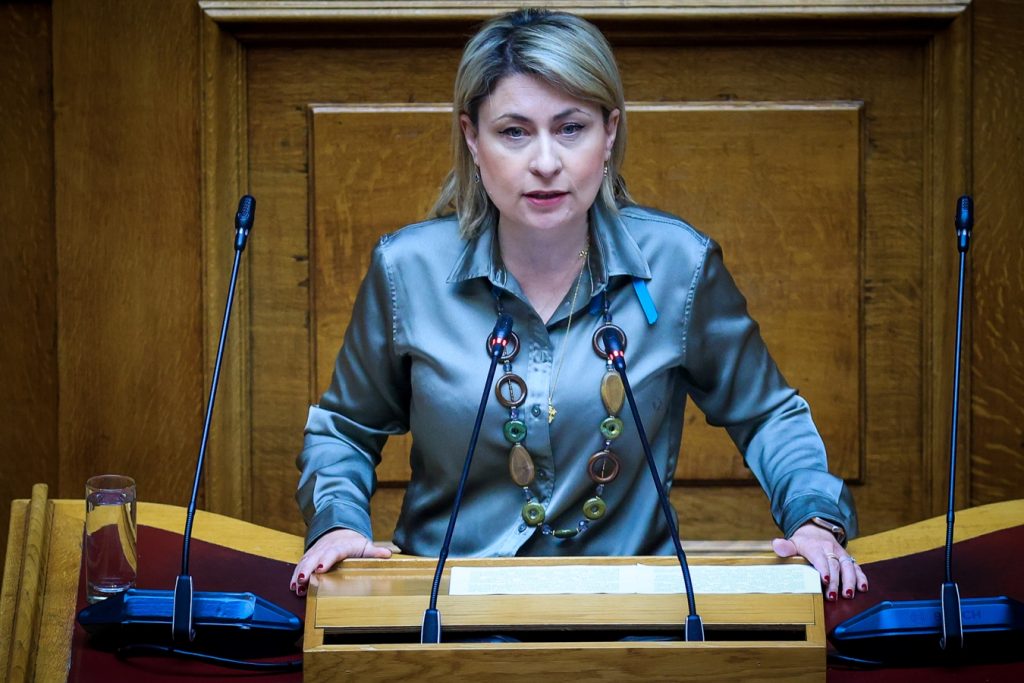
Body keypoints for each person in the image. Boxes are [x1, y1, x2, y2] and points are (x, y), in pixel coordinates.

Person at [290, 8, 866, 604]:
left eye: (570, 128)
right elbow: (345, 431)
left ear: (609, 132)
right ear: (472, 138)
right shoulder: (407, 270)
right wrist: (338, 521)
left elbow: (768, 414)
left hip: (629, 616)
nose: (545, 162)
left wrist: (812, 515)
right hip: (446, 614)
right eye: (514, 132)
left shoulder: (678, 265)